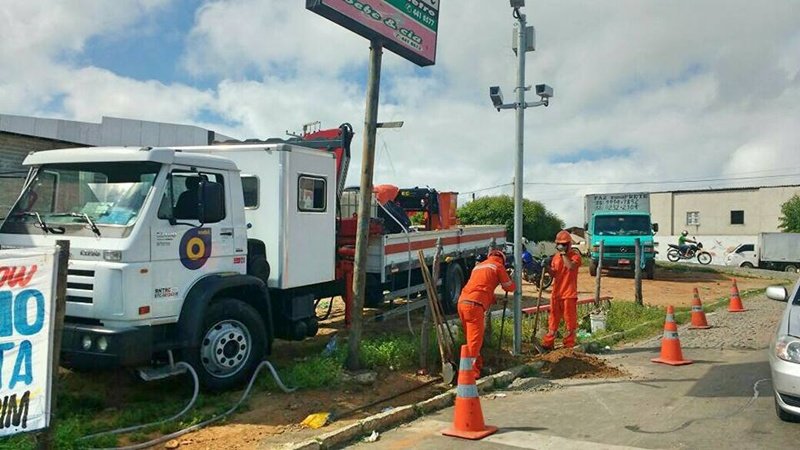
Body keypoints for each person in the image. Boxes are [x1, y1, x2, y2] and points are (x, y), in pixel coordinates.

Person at [457, 249, 516, 379]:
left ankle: (477, 366)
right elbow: (509, 287)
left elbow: (481, 286)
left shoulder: (479, 266)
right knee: (475, 340)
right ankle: (470, 373)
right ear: (502, 259)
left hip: (462, 302)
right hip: (475, 305)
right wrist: (512, 279)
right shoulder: (498, 266)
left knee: (470, 338)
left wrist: (492, 299)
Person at [542, 230, 583, 350]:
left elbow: (570, 267)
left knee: (570, 321)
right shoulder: (556, 257)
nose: (562, 246)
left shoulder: (575, 256)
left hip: (569, 294)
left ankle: (569, 345)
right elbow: (554, 274)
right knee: (553, 320)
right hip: (557, 293)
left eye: (564, 244)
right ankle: (548, 343)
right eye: (560, 244)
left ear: (569, 244)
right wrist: (547, 267)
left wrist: (563, 254)